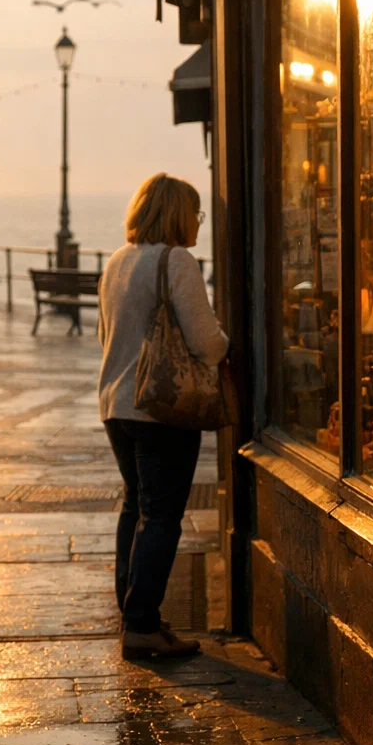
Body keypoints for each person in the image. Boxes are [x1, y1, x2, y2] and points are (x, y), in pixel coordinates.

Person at [97, 173, 228, 662]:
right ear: (177, 215)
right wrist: (228, 343)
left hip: (117, 403)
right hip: (161, 407)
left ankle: (134, 613)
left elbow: (106, 335)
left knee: (137, 507)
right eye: (194, 214)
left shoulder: (116, 261)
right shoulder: (177, 261)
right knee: (162, 516)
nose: (197, 223)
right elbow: (205, 342)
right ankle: (142, 625)